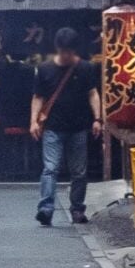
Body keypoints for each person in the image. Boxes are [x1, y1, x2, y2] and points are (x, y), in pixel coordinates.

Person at [30, 27, 101, 226]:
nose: (66, 55)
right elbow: (38, 97)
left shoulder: (86, 68)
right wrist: (33, 121)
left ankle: (77, 209)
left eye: (69, 51)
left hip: (79, 126)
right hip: (53, 126)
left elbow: (92, 94)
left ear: (74, 50)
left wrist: (98, 118)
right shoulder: (45, 69)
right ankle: (46, 208)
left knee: (79, 171)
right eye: (63, 51)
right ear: (58, 48)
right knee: (50, 168)